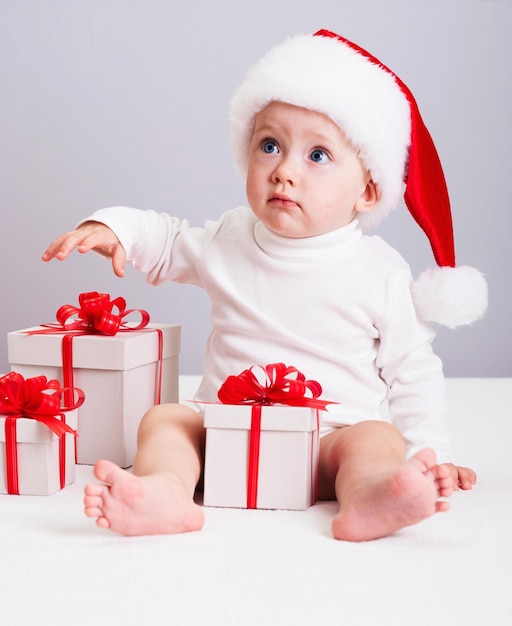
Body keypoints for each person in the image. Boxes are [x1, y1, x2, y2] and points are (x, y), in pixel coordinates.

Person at [42, 29, 487, 541]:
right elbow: (166, 239)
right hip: (226, 435)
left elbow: (413, 371)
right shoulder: (230, 238)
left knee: (375, 438)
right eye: (270, 146)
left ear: (368, 190)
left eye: (317, 156)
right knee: (164, 421)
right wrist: (115, 227)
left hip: (327, 441)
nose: (284, 172)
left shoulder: (380, 271)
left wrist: (432, 454)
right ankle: (165, 491)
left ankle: (369, 495)